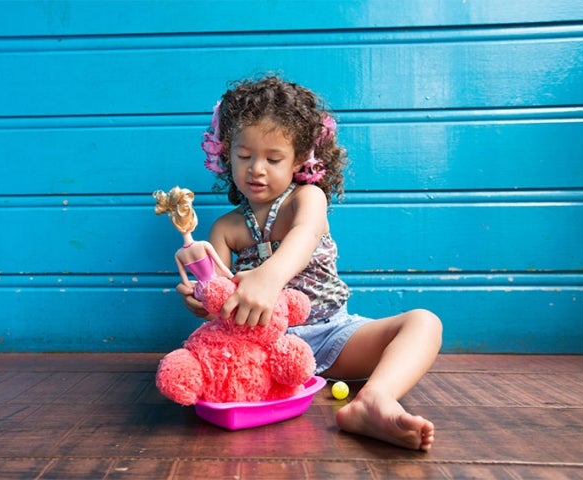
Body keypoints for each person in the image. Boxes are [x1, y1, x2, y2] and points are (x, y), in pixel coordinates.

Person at [176, 75, 443, 451]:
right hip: (263, 350)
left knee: (424, 322)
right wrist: (200, 300)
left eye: (273, 158)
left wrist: (268, 278)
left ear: (300, 159)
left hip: (334, 336)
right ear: (226, 155)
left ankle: (374, 400)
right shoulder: (225, 228)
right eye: (245, 156)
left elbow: (306, 235)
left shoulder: (307, 199)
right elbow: (218, 302)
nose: (257, 169)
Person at [154, 186, 233, 301]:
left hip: (200, 291)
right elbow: (223, 268)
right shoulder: (203, 245)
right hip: (215, 286)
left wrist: (199, 283)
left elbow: (186, 283)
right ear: (192, 219)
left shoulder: (178, 254)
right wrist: (234, 280)